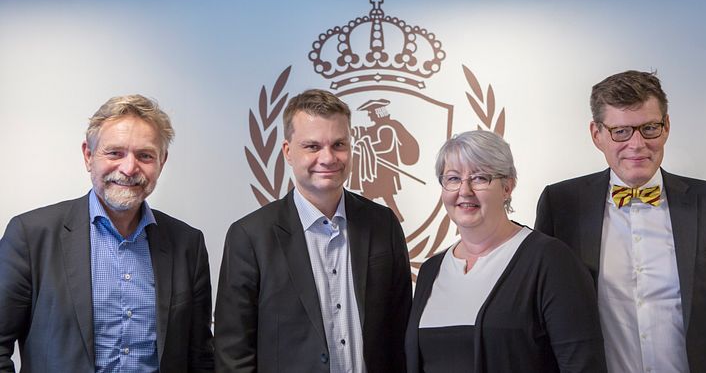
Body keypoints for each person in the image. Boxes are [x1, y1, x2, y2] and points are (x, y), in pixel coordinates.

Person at [535, 70, 706, 373]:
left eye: (649, 128)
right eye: (620, 131)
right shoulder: (560, 205)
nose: (636, 144)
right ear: (597, 134)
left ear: (666, 126)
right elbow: (544, 324)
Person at [0, 95, 214, 372]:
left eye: (145, 155)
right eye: (115, 153)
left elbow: (201, 358)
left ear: (162, 161)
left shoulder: (188, 244)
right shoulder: (31, 236)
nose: (128, 168)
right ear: (88, 156)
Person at [215, 89, 412, 372]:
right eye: (312, 147)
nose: (328, 158)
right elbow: (233, 353)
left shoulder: (383, 225)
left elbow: (400, 331)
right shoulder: (250, 236)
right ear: (288, 152)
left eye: (339, 144)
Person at [406, 130, 606, 373]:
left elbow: (582, 365)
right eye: (453, 178)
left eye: (480, 178)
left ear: (507, 187)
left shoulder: (550, 261)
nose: (465, 190)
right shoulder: (430, 270)